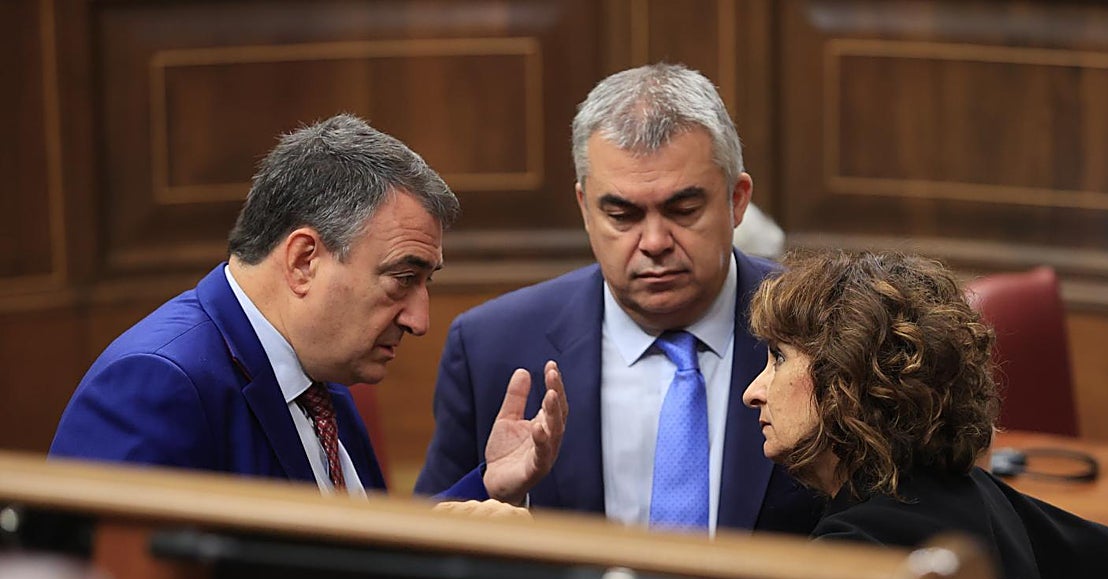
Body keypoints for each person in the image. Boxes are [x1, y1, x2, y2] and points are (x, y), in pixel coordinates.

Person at [50, 114, 565, 506]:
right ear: (303, 261)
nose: (420, 320)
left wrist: (488, 485)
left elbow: (357, 560)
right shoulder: (156, 384)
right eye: (403, 279)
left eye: (426, 282)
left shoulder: (318, 372)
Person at [416, 63, 819, 535]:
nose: (654, 242)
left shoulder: (820, 330)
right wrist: (500, 495)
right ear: (585, 209)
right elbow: (421, 537)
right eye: (623, 215)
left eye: (683, 210)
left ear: (737, 200)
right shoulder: (491, 347)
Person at [742, 248, 1108, 579]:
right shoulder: (972, 493)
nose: (753, 392)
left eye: (779, 357)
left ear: (846, 379)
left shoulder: (853, 558)